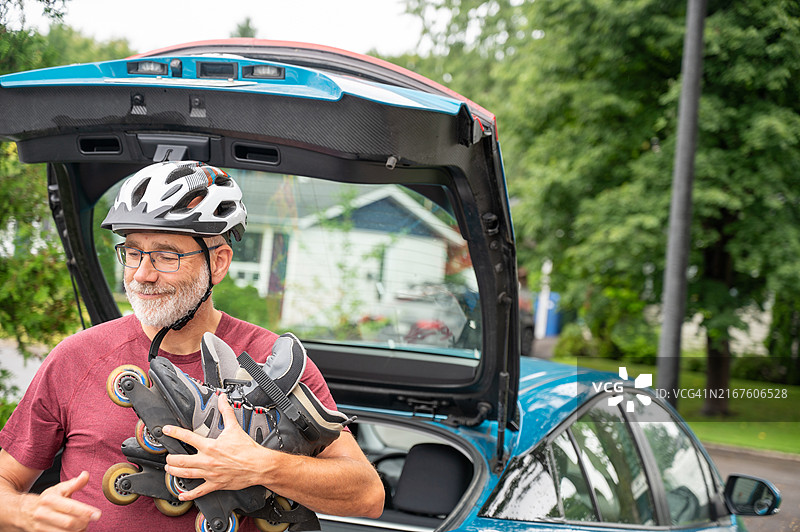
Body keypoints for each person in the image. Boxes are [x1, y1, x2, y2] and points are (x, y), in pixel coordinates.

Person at [0, 161, 385, 531]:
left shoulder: (270, 363)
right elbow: (6, 479)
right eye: (132, 252)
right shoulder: (78, 357)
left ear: (217, 263)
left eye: (166, 256)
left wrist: (260, 466)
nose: (142, 275)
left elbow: (366, 494)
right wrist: (23, 510)